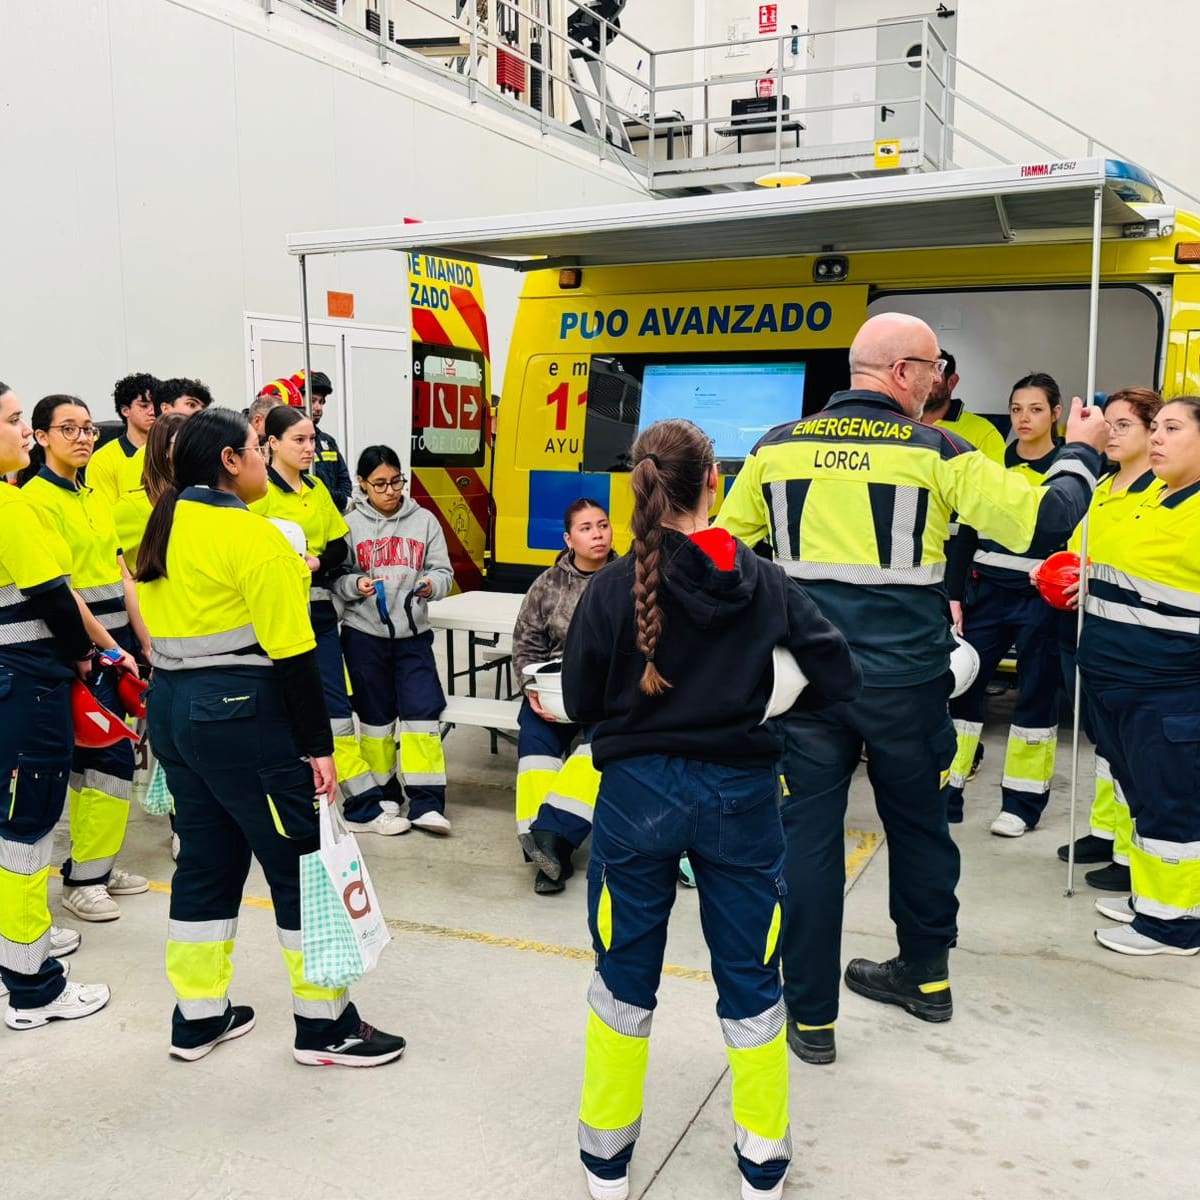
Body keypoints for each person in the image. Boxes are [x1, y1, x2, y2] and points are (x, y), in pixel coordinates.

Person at [716, 313, 1108, 1066]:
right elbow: (1048, 521)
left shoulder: (775, 447)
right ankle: (926, 979)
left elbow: (731, 554)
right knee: (921, 829)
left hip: (807, 685)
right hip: (909, 683)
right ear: (901, 372)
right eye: (935, 366)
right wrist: (1082, 449)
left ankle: (811, 1015)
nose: (941, 379)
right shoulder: (941, 449)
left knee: (808, 837)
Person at [562, 419, 860, 1200]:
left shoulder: (609, 587)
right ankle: (762, 1165)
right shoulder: (765, 582)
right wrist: (771, 691)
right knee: (754, 983)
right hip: (742, 798)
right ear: (715, 484)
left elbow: (578, 700)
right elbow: (840, 675)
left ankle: (606, 1163)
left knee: (622, 977)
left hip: (635, 800)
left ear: (639, 487)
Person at [136, 407, 406, 1062]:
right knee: (302, 868)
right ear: (230, 460)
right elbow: (294, 657)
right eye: (257, 448)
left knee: (204, 863)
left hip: (173, 709)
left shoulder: (165, 524)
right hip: (245, 717)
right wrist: (319, 750)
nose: (264, 458)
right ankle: (326, 1026)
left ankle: (198, 1016)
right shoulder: (257, 540)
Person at [0, 381, 110, 1029]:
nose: (23, 432)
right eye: (15, 420)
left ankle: (18, 951)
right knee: (26, 834)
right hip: (26, 685)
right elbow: (53, 599)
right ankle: (32, 986)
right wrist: (88, 659)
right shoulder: (12, 509)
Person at [21, 395, 150, 923]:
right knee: (101, 760)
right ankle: (84, 881)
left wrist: (143, 642)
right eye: (67, 429)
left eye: (87, 429)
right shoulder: (35, 501)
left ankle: (96, 862)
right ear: (42, 436)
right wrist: (108, 648)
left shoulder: (96, 496)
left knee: (114, 761)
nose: (82, 437)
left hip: (118, 642)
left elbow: (122, 574)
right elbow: (65, 592)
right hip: (80, 647)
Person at [1081, 397, 1200, 956]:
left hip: (1169, 687)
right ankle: (1154, 900)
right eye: (1155, 427)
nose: (1156, 438)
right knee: (1142, 796)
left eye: (1172, 429)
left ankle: (1172, 927)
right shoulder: (1146, 494)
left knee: (1170, 800)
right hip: (1114, 680)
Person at [250, 406, 394, 834]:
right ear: (272, 443)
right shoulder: (258, 497)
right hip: (271, 614)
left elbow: (338, 548)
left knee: (333, 707)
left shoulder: (317, 489)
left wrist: (313, 560)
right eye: (299, 440)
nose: (310, 448)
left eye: (312, 439)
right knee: (276, 710)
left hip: (317, 610)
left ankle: (360, 802)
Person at [944, 373, 1071, 837]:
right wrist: (953, 594)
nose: (1024, 418)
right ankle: (948, 791)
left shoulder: (1068, 474)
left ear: (1056, 415)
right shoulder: (991, 467)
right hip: (987, 597)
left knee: (1036, 699)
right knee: (962, 691)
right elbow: (966, 534)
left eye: (1035, 409)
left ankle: (1022, 805)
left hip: (1042, 601)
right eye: (1017, 409)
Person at [1053, 387, 1161, 893]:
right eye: (1108, 424)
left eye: (1123, 425)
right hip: (1095, 633)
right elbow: (1078, 551)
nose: (1110, 434)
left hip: (1137, 643)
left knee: (1136, 756)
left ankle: (1129, 848)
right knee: (1105, 747)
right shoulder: (1102, 486)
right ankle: (1106, 829)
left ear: (1151, 432)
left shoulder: (1160, 493)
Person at [334, 446, 455, 835]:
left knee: (422, 715)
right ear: (362, 484)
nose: (390, 490)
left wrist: (430, 584)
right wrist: (356, 584)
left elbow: (444, 571)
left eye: (396, 481)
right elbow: (337, 578)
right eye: (380, 484)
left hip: (413, 636)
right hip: (363, 635)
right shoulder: (350, 524)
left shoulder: (424, 521)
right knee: (375, 719)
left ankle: (427, 803)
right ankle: (384, 791)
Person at [511, 498, 614, 894]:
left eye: (602, 525)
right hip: (552, 691)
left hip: (607, 695)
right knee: (535, 747)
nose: (597, 534)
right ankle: (544, 843)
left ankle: (553, 843)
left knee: (597, 749)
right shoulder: (547, 584)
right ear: (569, 538)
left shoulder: (629, 579)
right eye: (586, 528)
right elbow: (525, 644)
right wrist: (531, 689)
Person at [112, 412, 186, 578]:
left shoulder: (196, 497)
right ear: (164, 450)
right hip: (152, 600)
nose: (191, 448)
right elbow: (100, 553)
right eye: (183, 442)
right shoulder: (134, 506)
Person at [919, 349, 1007, 465]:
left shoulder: (983, 432)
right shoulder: (894, 423)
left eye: (932, 378)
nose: (921, 385)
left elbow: (997, 481)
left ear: (952, 382)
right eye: (918, 378)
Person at [86, 373, 159, 507]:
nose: (153, 411)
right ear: (125, 410)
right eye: (144, 406)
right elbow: (101, 513)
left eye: (157, 405)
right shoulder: (103, 460)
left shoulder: (171, 453)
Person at [305, 371, 352, 512]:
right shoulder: (288, 444)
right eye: (312, 401)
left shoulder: (327, 441)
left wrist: (343, 501)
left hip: (333, 517)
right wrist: (340, 499)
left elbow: (344, 479)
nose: (318, 408)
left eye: (321, 402)